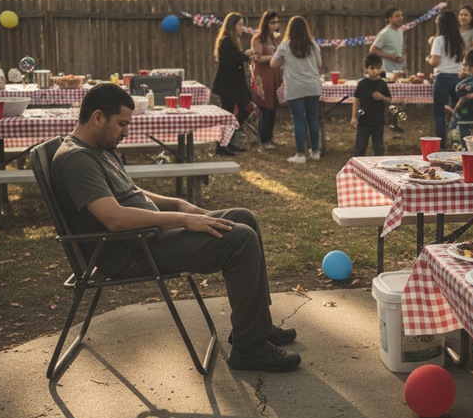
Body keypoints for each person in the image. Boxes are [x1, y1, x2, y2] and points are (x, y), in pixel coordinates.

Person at [49, 83, 300, 372]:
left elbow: (130, 192)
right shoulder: (77, 160)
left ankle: (257, 326)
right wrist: (181, 220)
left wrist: (179, 205)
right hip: (130, 251)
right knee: (240, 239)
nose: (126, 132)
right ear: (97, 117)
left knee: (244, 218)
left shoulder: (98, 147)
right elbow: (115, 219)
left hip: (147, 237)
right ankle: (249, 348)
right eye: (122, 124)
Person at [271, 15, 322, 164]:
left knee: (298, 119)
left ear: (290, 29)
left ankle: (300, 155)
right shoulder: (313, 45)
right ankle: (315, 152)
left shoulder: (285, 46)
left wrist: (284, 59)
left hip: (294, 87)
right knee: (313, 118)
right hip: (313, 86)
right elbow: (319, 64)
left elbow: (273, 64)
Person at [211, 13, 256, 155]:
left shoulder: (233, 40)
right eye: (240, 25)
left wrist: (247, 57)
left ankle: (228, 142)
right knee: (228, 115)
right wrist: (244, 56)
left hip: (235, 84)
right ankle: (221, 147)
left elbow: (236, 60)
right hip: (227, 85)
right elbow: (228, 63)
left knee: (245, 109)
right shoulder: (226, 41)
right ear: (232, 25)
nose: (243, 28)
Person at [426, 9, 465, 146]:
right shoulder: (460, 40)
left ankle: (441, 145)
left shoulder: (439, 40)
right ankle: (458, 142)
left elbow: (435, 62)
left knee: (439, 113)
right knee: (457, 112)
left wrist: (428, 59)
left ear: (441, 24)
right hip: (458, 78)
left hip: (442, 78)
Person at [251, 11, 282, 150]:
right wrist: (275, 56)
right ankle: (263, 141)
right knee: (265, 109)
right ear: (266, 23)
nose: (276, 25)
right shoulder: (258, 38)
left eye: (277, 22)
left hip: (275, 75)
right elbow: (257, 58)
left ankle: (269, 139)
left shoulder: (274, 38)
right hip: (263, 76)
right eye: (272, 23)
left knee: (273, 108)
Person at [351, 53, 392, 156]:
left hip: (378, 122)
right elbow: (356, 100)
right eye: (372, 68)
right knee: (360, 147)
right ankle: (358, 164)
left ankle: (378, 165)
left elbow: (389, 100)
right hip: (363, 122)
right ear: (366, 69)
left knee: (379, 148)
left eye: (378, 68)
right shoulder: (362, 84)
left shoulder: (382, 84)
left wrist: (382, 97)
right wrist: (354, 117)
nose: (375, 71)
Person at [369, 7, 404, 76]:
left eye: (401, 15)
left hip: (398, 71)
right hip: (386, 71)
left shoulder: (400, 32)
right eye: (397, 16)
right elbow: (372, 50)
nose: (401, 18)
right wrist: (391, 56)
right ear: (390, 19)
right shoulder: (385, 33)